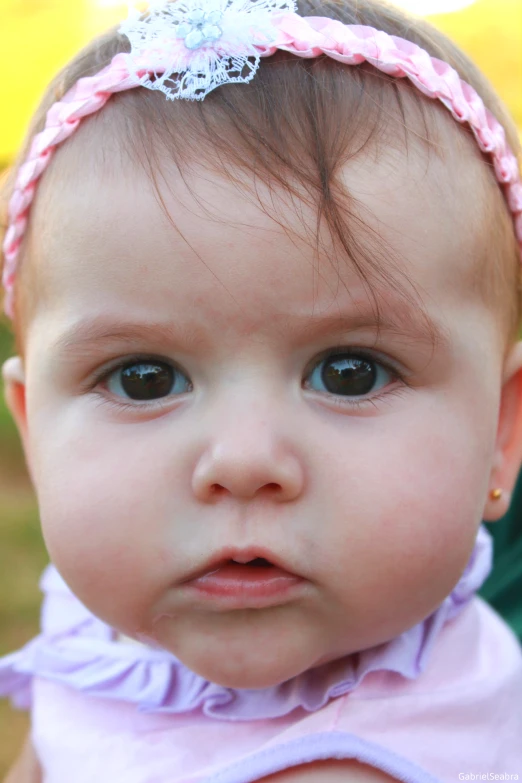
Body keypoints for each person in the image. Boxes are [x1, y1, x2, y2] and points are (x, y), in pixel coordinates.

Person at [1, 0, 522, 779]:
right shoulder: (103, 621)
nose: (244, 462)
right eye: (145, 378)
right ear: (34, 429)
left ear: (502, 433)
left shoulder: (367, 755)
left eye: (351, 372)